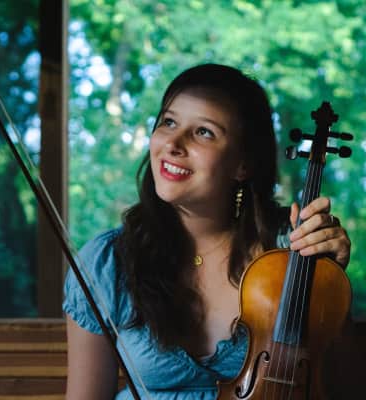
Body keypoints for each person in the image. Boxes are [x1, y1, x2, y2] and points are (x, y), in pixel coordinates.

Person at [63, 64, 351, 399]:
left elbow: (344, 386)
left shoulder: (292, 252)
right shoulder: (108, 261)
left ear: (243, 164)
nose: (173, 143)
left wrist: (329, 279)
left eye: (203, 132)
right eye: (169, 122)